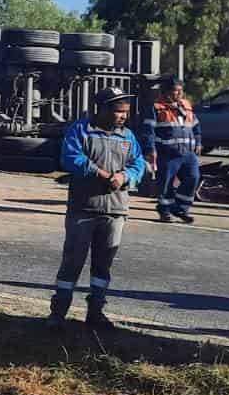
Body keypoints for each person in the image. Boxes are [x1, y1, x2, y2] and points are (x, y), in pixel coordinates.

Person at [46, 87, 146, 331]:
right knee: (72, 262)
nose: (122, 116)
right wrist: (99, 173)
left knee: (103, 265)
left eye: (125, 112)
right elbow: (70, 158)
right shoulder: (81, 130)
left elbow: (139, 164)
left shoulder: (128, 136)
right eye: (118, 111)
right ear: (101, 109)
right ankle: (59, 313)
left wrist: (124, 177)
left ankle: (96, 311)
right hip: (84, 209)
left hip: (116, 210)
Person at [139, 77, 202, 223]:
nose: (179, 93)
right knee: (166, 184)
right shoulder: (156, 107)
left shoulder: (186, 106)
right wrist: (150, 149)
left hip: (188, 153)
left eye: (181, 90)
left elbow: (196, 126)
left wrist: (198, 142)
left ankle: (180, 208)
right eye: (175, 90)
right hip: (167, 154)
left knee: (193, 178)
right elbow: (148, 131)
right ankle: (165, 211)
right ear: (166, 91)